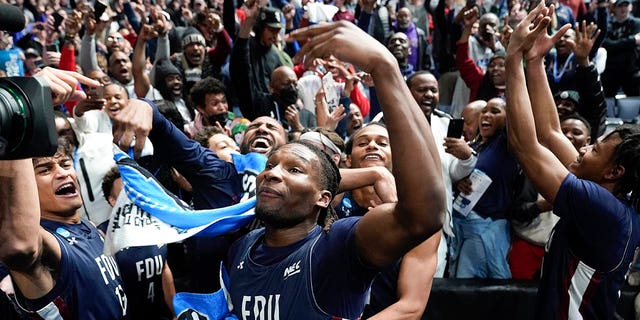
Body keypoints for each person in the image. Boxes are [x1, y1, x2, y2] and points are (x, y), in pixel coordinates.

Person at [221, 21, 445, 318]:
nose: (272, 173)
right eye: (271, 165)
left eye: (383, 142)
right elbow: (317, 180)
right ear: (347, 160)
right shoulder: (243, 247)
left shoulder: (337, 241)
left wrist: (385, 67)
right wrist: (372, 174)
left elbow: (423, 216)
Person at [505, 5, 640, 318]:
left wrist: (514, 57)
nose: (583, 147)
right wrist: (535, 61)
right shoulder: (608, 192)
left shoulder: (603, 210)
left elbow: (524, 146)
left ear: (614, 171)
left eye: (595, 148)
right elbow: (551, 133)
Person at [0, 69, 129, 319]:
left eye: (65, 164)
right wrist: (24, 104)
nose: (62, 173)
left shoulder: (91, 228)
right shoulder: (43, 243)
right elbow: (19, 246)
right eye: (45, 169)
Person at [101, 167, 176, 320]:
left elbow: (164, 271)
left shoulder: (155, 225)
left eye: (135, 189)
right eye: (125, 191)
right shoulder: (103, 235)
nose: (133, 195)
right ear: (112, 200)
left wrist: (175, 313)